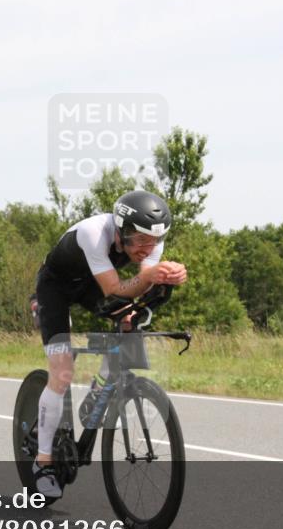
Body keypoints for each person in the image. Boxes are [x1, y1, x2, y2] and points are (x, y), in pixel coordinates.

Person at [31, 190, 188, 497]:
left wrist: (167, 276)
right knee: (62, 372)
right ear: (121, 228)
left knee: (129, 322)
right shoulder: (93, 234)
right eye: (140, 241)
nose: (148, 249)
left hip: (92, 284)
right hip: (56, 288)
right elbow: (116, 287)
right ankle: (43, 461)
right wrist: (153, 275)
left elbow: (141, 283)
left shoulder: (152, 242)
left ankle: (98, 391)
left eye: (154, 242)